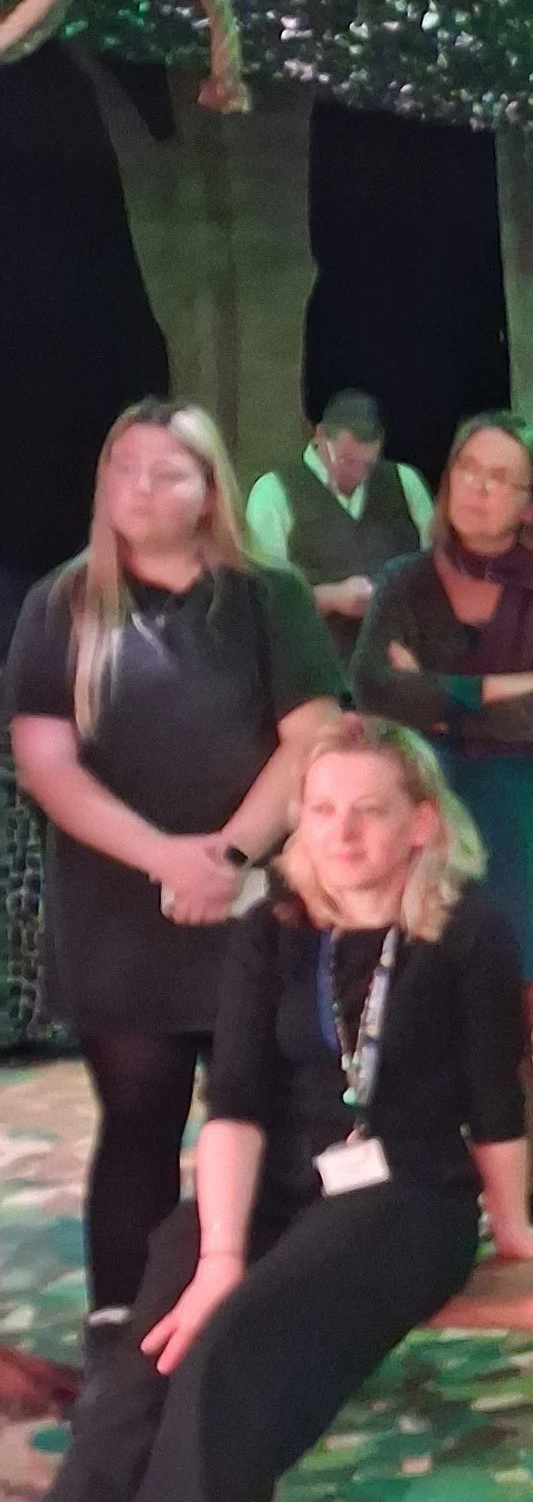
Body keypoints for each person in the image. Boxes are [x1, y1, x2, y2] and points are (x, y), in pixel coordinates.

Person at [0, 719, 533, 1502]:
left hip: (405, 1194)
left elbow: (501, 1095)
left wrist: (511, 1226)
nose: (343, 832)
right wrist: (217, 1250)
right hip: (265, 1182)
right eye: (322, 811)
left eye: (368, 811)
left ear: (420, 826)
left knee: (230, 1351)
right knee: (139, 1365)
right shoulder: (275, 924)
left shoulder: (467, 931)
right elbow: (231, 1103)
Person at [7, 401, 343, 1318]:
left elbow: (315, 733)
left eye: (167, 472)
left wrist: (230, 853)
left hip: (254, 895)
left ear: (208, 491)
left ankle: (278, 1321)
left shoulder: (266, 595)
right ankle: (128, 1332)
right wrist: (167, 859)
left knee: (274, 1120)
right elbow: (45, 761)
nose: (141, 488)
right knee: (138, 1123)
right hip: (121, 909)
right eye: (125, 468)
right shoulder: (62, 603)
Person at [353, 415, 533, 1242]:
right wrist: (492, 691)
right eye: (466, 469)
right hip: (455, 819)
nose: (476, 488)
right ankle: (529, 1187)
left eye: (499, 477)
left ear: (531, 503)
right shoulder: (405, 582)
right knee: (491, 1028)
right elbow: (374, 688)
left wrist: (441, 699)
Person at [242, 389, 434, 636]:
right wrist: (329, 598)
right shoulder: (273, 492)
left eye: (367, 465)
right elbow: (260, 598)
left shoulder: (405, 482)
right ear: (320, 436)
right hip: (314, 660)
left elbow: (437, 568)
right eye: (346, 461)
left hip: (398, 654)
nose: (358, 474)